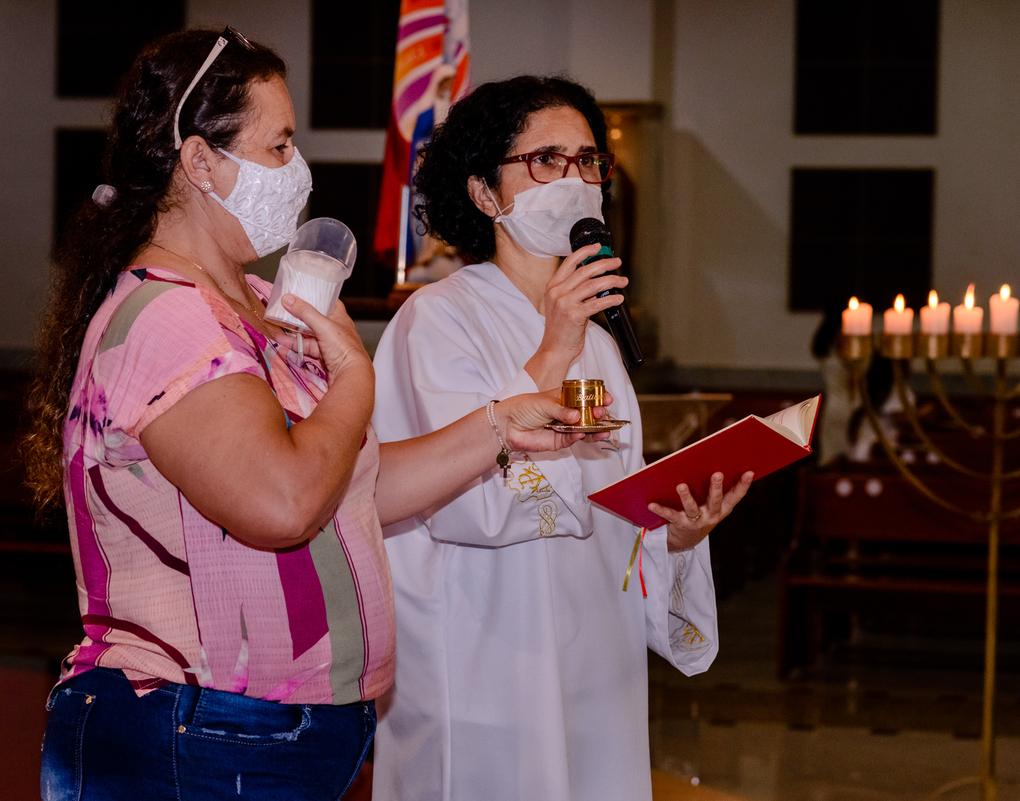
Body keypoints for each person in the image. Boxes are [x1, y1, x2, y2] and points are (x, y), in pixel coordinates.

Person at [24, 32, 597, 801]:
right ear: (200, 162)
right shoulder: (168, 316)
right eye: (279, 144)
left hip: (262, 736)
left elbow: (348, 486)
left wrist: (499, 422)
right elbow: (285, 502)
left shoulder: (260, 304)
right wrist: (355, 376)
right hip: (190, 729)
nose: (299, 168)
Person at [370, 75, 755, 801]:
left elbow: (613, 513)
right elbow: (463, 504)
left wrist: (672, 536)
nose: (575, 180)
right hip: (486, 663)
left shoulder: (601, 347)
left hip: (597, 664)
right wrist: (553, 346)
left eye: (588, 161)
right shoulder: (437, 319)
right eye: (546, 160)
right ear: (484, 192)